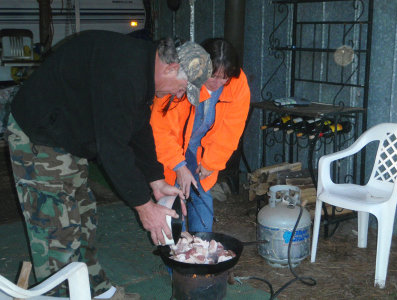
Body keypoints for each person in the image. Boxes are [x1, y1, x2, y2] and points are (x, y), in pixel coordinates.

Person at [6, 30, 212, 299]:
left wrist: (157, 182)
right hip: (39, 136)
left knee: (83, 218)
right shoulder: (125, 74)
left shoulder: (143, 67)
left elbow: (138, 129)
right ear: (172, 67)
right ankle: (58, 294)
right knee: (56, 232)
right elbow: (113, 150)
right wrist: (145, 208)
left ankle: (94, 289)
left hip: (69, 136)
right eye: (183, 88)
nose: (179, 95)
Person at [150, 38, 250, 233]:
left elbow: (232, 129)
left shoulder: (237, 83)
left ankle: (201, 248)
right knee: (172, 203)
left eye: (225, 77)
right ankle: (175, 255)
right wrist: (178, 165)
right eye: (213, 76)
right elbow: (160, 128)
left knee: (201, 195)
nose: (218, 82)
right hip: (172, 147)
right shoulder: (182, 77)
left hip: (201, 151)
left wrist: (211, 163)